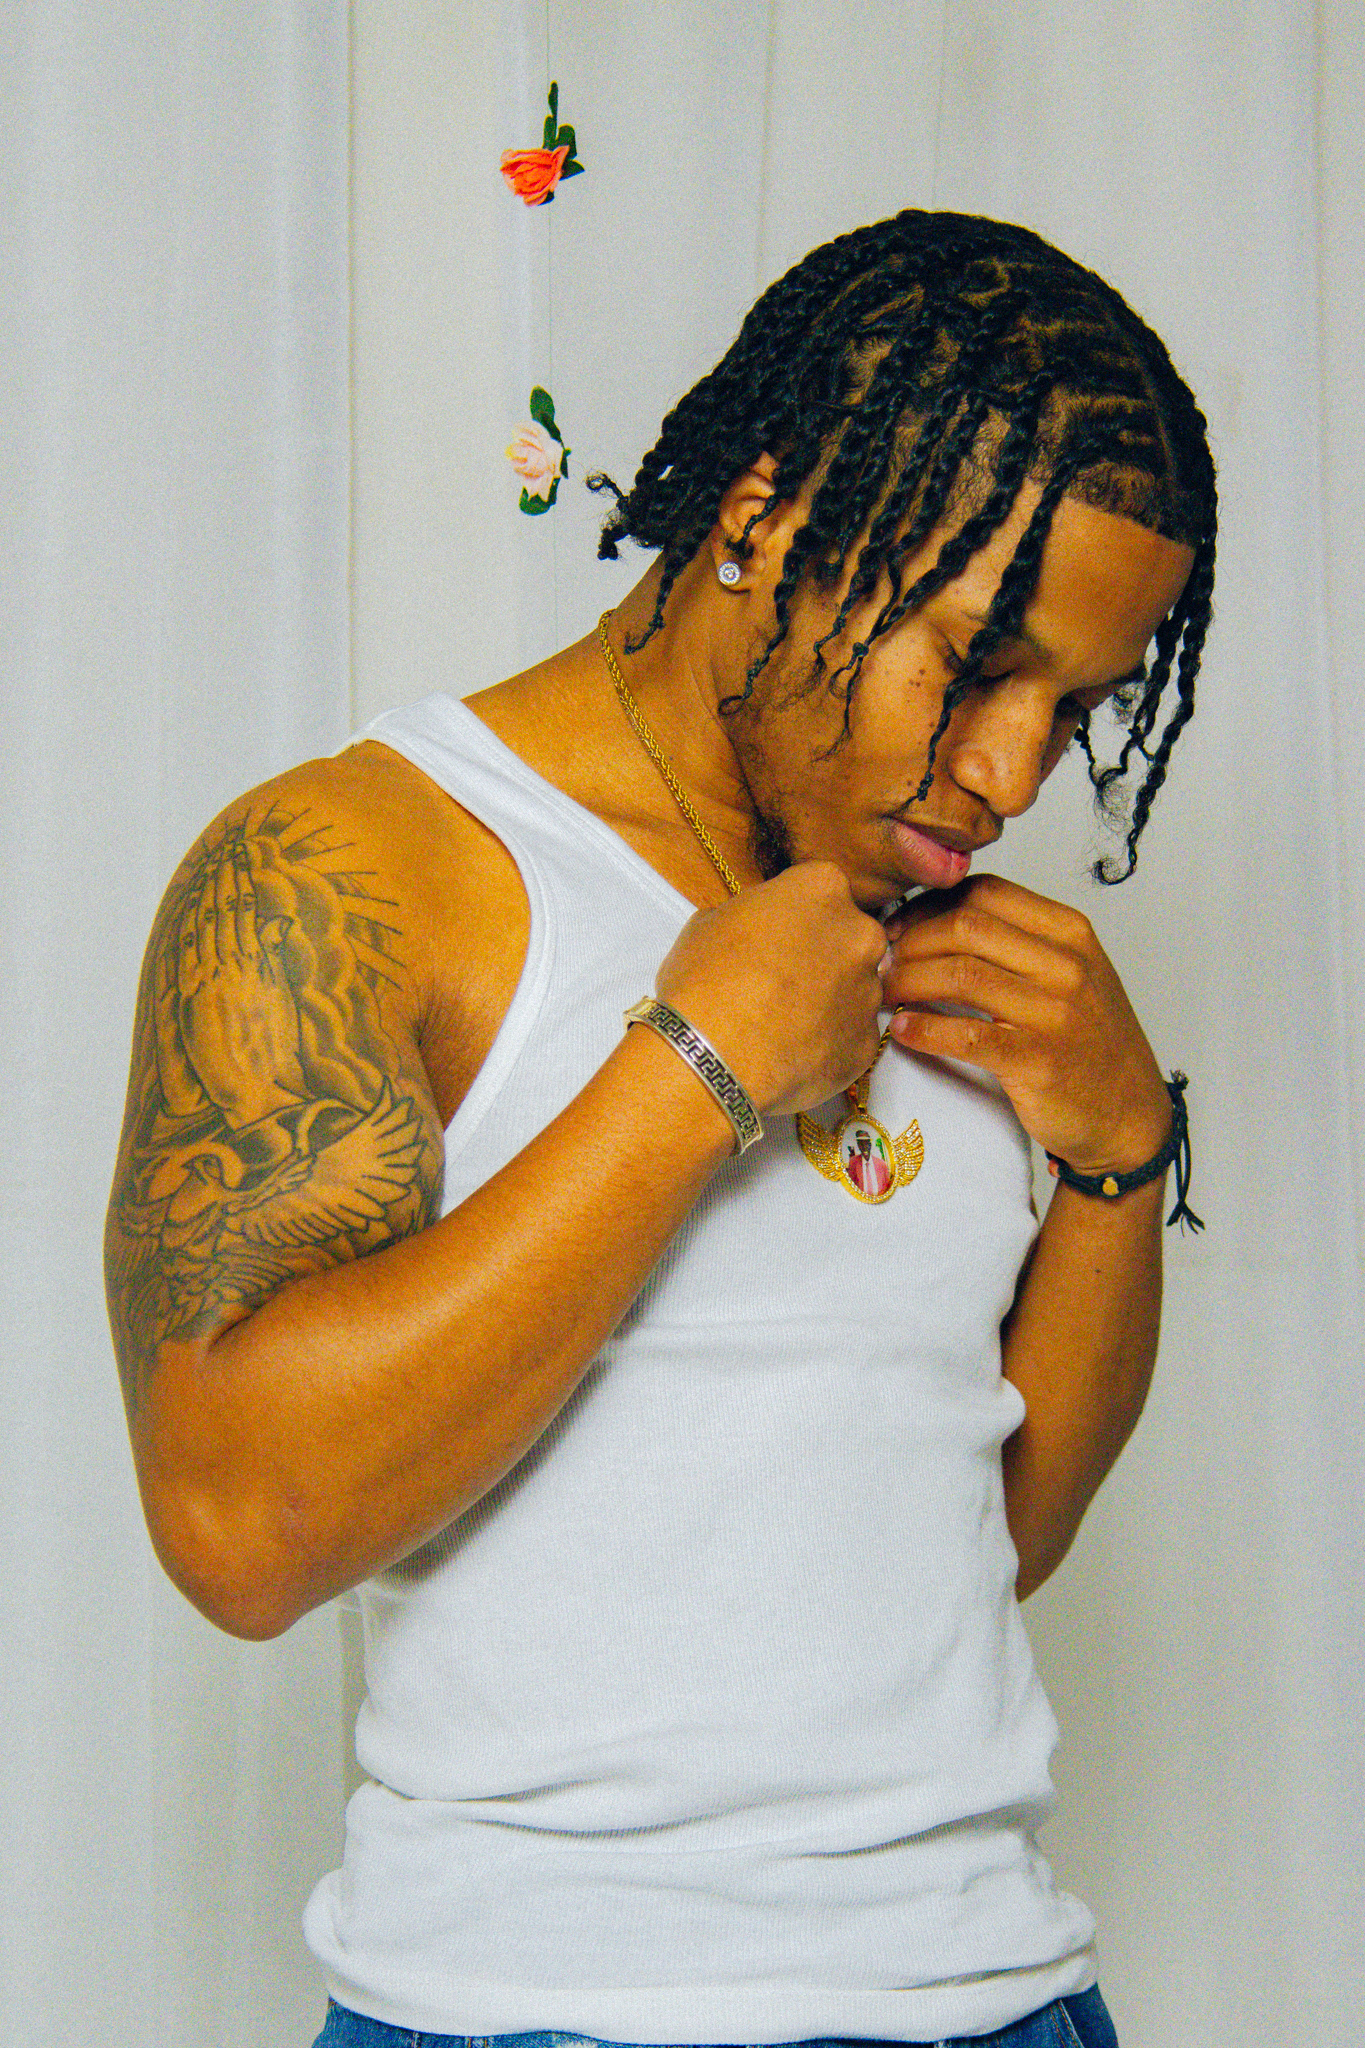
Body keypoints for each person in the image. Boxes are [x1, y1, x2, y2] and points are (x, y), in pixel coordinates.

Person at [104, 209, 1216, 2048]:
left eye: (1075, 710)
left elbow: (983, 1543)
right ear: (760, 519)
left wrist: (1114, 1155)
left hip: (1011, 1994)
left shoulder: (930, 925)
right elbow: (239, 1526)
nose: (1011, 774)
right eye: (974, 664)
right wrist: (693, 1070)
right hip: (540, 2004)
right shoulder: (362, 866)